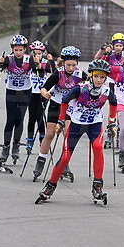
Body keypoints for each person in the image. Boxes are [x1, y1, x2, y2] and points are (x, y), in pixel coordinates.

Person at [35, 59, 117, 204]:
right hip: (76, 124)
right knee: (66, 157)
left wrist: (111, 123)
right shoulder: (80, 88)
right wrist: (61, 120)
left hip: (94, 124)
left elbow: (114, 103)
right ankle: (50, 186)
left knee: (98, 148)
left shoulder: (106, 90)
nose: (99, 80)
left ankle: (97, 187)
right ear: (91, 75)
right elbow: (65, 100)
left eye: (102, 77)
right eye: (96, 76)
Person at [32, 46, 87, 181]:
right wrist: (45, 94)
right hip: (56, 104)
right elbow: (44, 88)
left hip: (70, 108)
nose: (71, 68)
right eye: (68, 65)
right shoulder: (58, 74)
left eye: (74, 65)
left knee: (67, 133)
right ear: (63, 63)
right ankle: (41, 160)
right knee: (50, 133)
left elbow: (88, 87)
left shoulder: (81, 75)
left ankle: (65, 163)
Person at [0, 35, 31, 165]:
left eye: (21, 50)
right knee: (10, 120)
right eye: (16, 50)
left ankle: (16, 146)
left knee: (19, 120)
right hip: (11, 92)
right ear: (12, 50)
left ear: (25, 49)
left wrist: (38, 64)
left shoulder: (29, 59)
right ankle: (6, 147)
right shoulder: (8, 60)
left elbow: (41, 73)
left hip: (25, 92)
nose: (18, 52)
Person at [94, 33, 124, 149]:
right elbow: (98, 62)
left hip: (121, 84)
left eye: (120, 46)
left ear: (123, 47)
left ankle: (117, 132)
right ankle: (109, 132)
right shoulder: (110, 55)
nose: (118, 48)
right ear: (113, 46)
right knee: (111, 109)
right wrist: (106, 54)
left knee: (119, 109)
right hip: (110, 83)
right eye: (116, 45)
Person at [25, 40, 56, 154]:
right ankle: (29, 140)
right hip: (31, 92)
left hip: (42, 93)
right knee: (31, 117)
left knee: (41, 117)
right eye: (35, 53)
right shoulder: (29, 62)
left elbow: (52, 72)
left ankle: (42, 140)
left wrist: (51, 61)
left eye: (39, 53)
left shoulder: (45, 63)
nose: (37, 56)